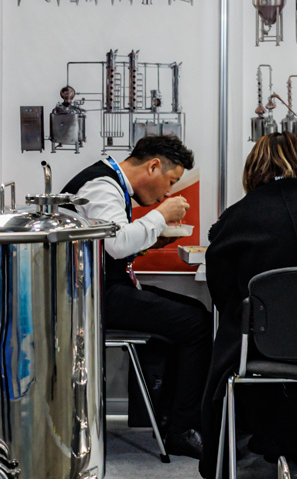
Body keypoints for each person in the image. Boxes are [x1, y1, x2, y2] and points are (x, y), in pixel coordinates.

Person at [198, 133, 297, 479]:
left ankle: (240, 446)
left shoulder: (239, 216)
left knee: (232, 332)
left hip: (265, 346)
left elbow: (222, 292)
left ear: (253, 168)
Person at [63, 135, 211, 458]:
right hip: (89, 298)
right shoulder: (102, 186)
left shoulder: (109, 184)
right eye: (170, 182)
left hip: (99, 290)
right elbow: (117, 244)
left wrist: (151, 241)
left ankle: (170, 420)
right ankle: (181, 429)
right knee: (197, 323)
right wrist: (161, 214)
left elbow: (108, 243)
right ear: (153, 166)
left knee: (195, 311)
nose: (168, 193)